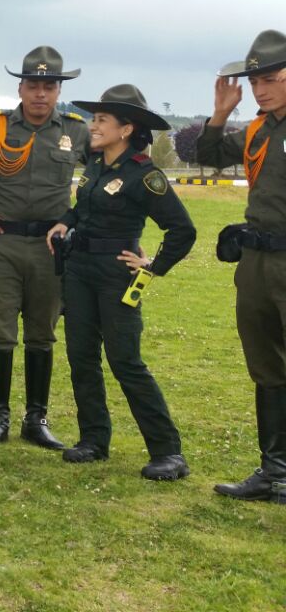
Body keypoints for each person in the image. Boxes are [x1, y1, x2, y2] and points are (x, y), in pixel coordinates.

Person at [45, 84, 195, 480]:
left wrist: (152, 266)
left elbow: (182, 229)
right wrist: (66, 221)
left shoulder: (145, 175)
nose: (93, 126)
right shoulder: (95, 166)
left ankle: (168, 452)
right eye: (94, 119)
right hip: (78, 271)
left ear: (126, 129)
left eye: (101, 120)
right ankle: (94, 440)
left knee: (125, 361)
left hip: (117, 275)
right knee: (81, 358)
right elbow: (84, 207)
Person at [0, 46, 89, 449]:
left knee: (42, 334)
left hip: (51, 248)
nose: (41, 94)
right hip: (1, 244)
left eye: (50, 86)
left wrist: (74, 219)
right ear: (21, 87)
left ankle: (36, 418)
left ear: (58, 89)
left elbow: (106, 178)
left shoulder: (77, 131)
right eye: (34, 85)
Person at [198, 29, 286, 503]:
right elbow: (208, 156)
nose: (260, 90)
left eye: (270, 79)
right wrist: (221, 113)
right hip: (256, 262)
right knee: (266, 366)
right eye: (255, 83)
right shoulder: (257, 129)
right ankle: (274, 472)